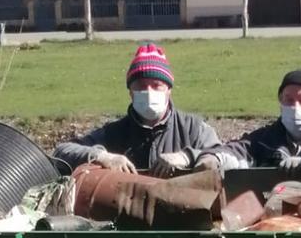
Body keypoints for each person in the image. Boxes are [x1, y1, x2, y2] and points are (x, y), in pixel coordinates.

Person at [52, 43, 220, 177]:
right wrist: (104, 157)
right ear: (131, 93)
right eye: (141, 86)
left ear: (169, 90)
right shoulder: (114, 133)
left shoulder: (193, 129)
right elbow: (62, 152)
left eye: (156, 86)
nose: (148, 92)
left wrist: (187, 157)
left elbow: (223, 156)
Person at [193, 66, 301, 173]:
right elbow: (239, 149)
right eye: (288, 100)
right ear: (280, 103)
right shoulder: (266, 139)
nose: (295, 107)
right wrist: (213, 158)